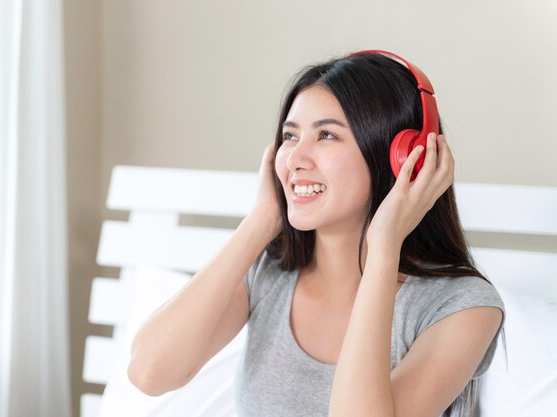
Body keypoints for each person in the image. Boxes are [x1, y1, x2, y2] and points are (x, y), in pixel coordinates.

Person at [127, 50, 506, 417]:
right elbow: (149, 373)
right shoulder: (269, 273)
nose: (295, 159)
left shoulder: (463, 306)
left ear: (405, 158)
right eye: (290, 137)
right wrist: (261, 220)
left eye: (326, 136)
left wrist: (383, 250)